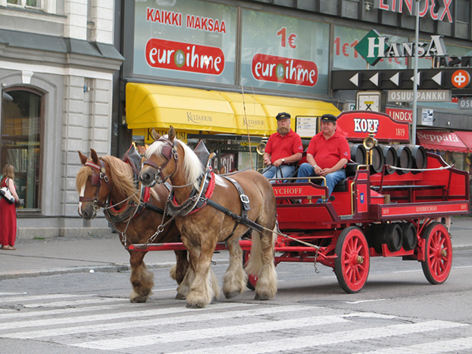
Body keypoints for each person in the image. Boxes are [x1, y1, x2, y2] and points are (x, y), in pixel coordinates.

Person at [297, 113, 350, 201]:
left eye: (328, 124)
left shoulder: (341, 139)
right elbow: (309, 155)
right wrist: (315, 167)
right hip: (317, 169)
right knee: (304, 167)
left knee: (330, 177)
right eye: (323, 124)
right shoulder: (315, 138)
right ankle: (298, 197)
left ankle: (321, 203)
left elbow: (344, 160)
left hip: (336, 171)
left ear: (334, 125)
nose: (325, 126)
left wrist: (330, 170)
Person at [262, 112, 303, 182]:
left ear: (289, 122)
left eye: (285, 121)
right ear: (278, 123)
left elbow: (299, 155)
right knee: (259, 181)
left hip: (287, 167)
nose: (283, 123)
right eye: (281, 121)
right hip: (273, 166)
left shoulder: (295, 137)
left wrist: (282, 160)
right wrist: (267, 159)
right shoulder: (273, 136)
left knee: (273, 182)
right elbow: (267, 152)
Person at [0, 164, 20, 250]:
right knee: (9, 223)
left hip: (3, 202)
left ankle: (4, 242)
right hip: (9, 204)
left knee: (3, 223)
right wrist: (18, 200)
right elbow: (13, 192)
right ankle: (6, 244)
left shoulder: (3, 180)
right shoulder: (10, 180)